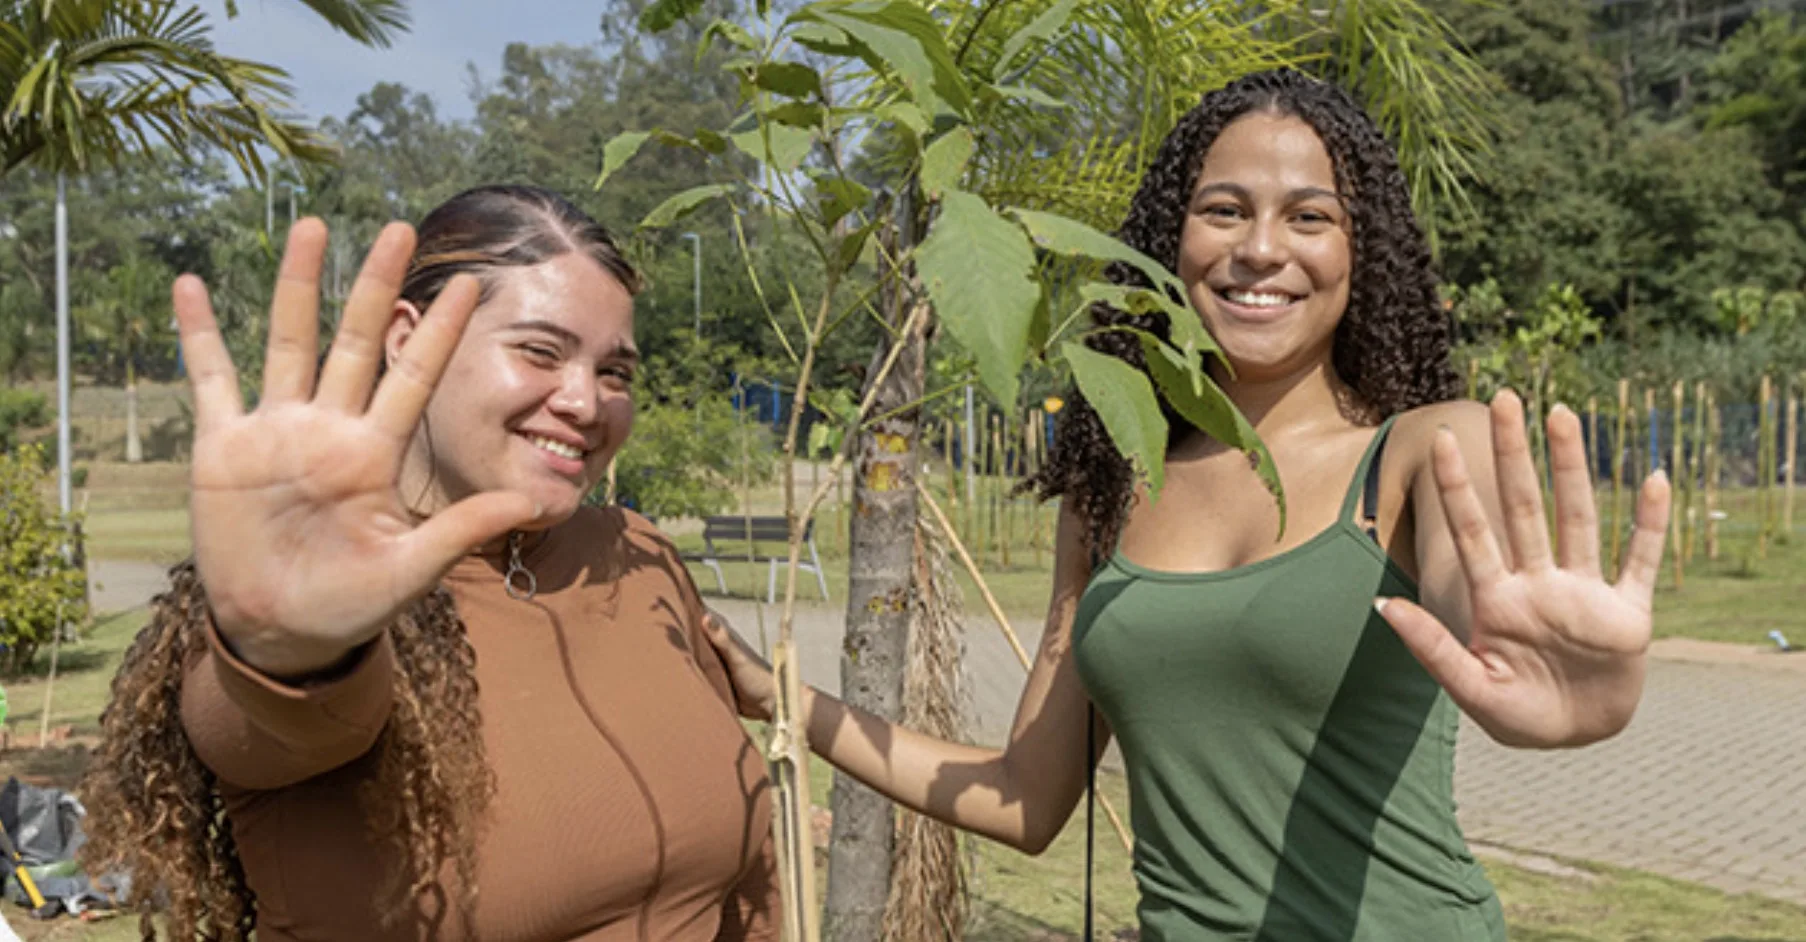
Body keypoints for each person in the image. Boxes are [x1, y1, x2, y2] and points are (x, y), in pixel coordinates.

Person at [703, 69, 1671, 940]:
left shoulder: (1425, 449)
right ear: (1171, 238)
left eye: (1308, 217)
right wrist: (779, 700)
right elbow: (1023, 801)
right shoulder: (1114, 487)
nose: (1260, 249)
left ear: (1359, 249)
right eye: (1223, 210)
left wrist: (1555, 693)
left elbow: (1488, 622)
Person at [81, 185, 780, 942]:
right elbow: (273, 719)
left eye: (616, 372)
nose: (586, 401)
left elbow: (744, 881)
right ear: (410, 340)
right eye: (540, 351)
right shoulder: (335, 609)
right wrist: (292, 653)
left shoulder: (638, 555)